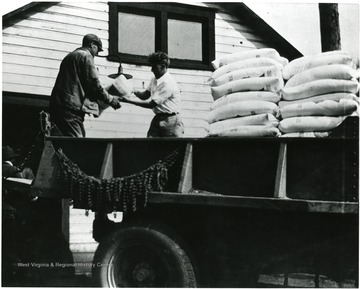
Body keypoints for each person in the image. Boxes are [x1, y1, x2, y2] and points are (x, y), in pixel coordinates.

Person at [49, 34, 122, 137]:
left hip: (58, 106)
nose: (96, 53)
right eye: (97, 49)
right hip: (71, 109)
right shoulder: (86, 56)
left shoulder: (70, 56)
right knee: (78, 144)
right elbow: (94, 84)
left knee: (62, 142)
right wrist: (110, 100)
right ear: (92, 44)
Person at [121, 51, 184, 137]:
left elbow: (151, 104)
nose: (151, 70)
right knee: (150, 145)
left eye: (154, 67)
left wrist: (128, 101)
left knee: (170, 148)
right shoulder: (154, 79)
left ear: (163, 67)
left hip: (171, 120)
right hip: (158, 118)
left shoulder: (168, 83)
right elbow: (145, 96)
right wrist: (132, 90)